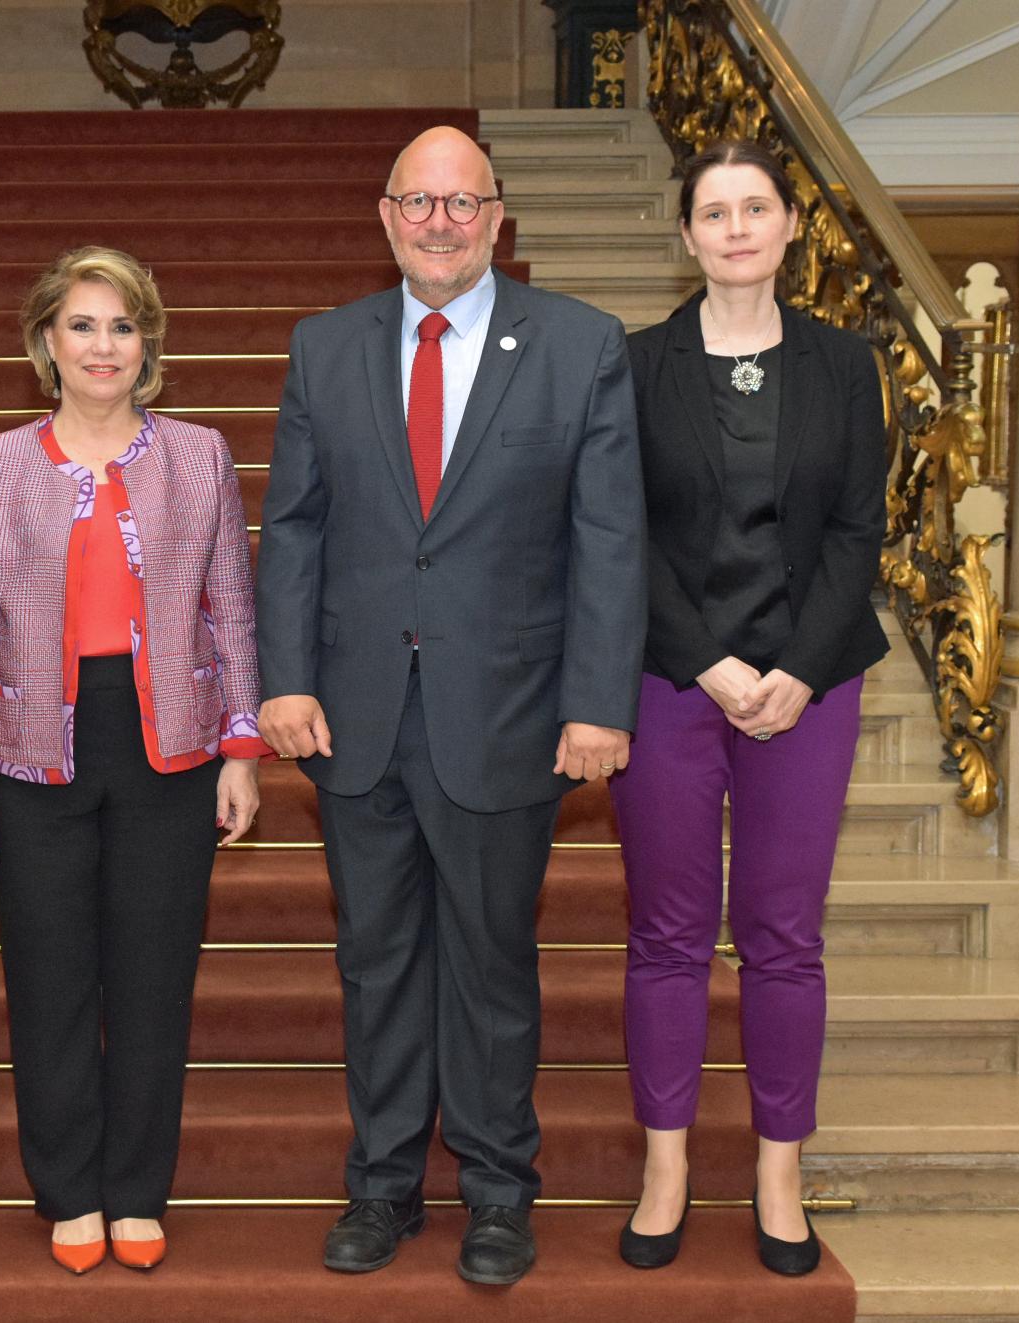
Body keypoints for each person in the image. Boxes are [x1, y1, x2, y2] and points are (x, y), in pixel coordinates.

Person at [255, 127, 647, 1286]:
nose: (439, 224)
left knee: (489, 963)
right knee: (375, 962)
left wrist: (597, 702)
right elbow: (295, 528)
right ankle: (381, 1186)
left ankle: (496, 1193)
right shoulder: (325, 347)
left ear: (495, 217)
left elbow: (609, 537)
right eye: (418, 204)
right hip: (357, 713)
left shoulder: (579, 345)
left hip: (509, 713)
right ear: (385, 217)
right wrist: (285, 677)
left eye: (461, 204)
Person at [0, 246, 266, 1274]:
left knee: (155, 980)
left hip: (170, 746)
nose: (103, 346)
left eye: (122, 326)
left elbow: (231, 606)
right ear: (47, 342)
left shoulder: (200, 455)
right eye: (82, 325)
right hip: (31, 752)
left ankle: (137, 1190)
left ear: (147, 343)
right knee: (50, 979)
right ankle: (69, 1188)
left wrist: (241, 749)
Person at [610, 140, 889, 1277]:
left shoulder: (844, 363)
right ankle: (666, 1167)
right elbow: (618, 532)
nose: (735, 229)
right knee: (668, 935)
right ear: (686, 235)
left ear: (789, 226)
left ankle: (779, 1169)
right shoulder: (635, 365)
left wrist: (801, 670)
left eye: (755, 208)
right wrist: (709, 663)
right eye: (714, 212)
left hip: (808, 686)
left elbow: (858, 532)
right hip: (671, 680)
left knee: (782, 937)